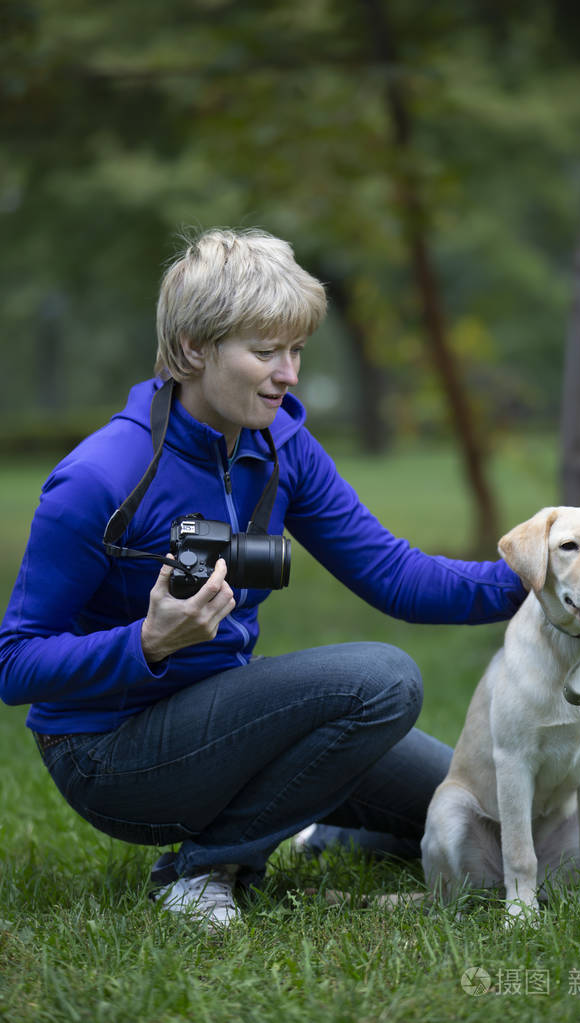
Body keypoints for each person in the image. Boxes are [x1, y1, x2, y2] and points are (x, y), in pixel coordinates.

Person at [0, 228, 526, 928]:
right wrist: (147, 644)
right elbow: (15, 662)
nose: (290, 374)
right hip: (110, 754)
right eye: (266, 351)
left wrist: (549, 579)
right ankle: (200, 869)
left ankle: (309, 828)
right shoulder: (101, 478)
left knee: (470, 808)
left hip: (230, 719)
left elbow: (399, 576)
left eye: (297, 350)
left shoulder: (281, 446)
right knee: (383, 679)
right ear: (193, 349)